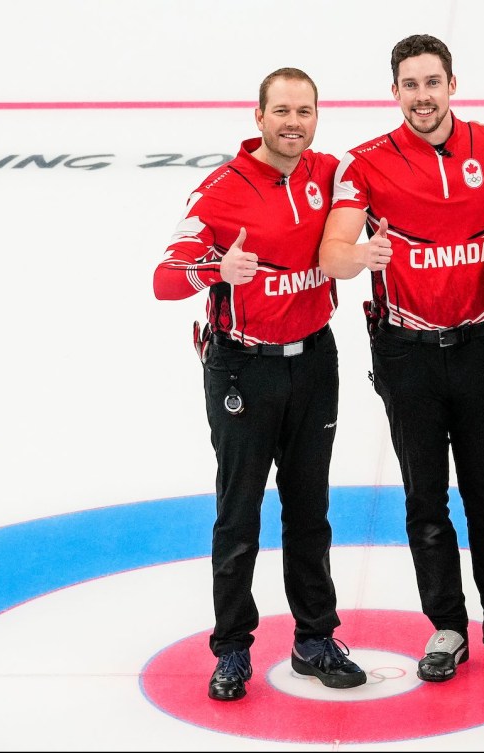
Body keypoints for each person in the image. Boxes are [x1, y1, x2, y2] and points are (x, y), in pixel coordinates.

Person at [319, 33, 484, 682]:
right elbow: (331, 252)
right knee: (425, 498)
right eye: (409, 84)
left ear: (451, 85)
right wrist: (359, 259)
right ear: (394, 91)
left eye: (432, 82)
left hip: (480, 346)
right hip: (407, 354)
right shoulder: (365, 163)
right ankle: (447, 626)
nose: (421, 96)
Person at [153, 67, 366, 701]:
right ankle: (233, 649)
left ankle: (315, 637)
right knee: (238, 514)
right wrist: (216, 268)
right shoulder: (221, 189)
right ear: (259, 117)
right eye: (282, 112)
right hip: (242, 368)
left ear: (317, 118)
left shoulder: (330, 172)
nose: (293, 123)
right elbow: (164, 278)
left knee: (309, 509)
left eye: (305, 111)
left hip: (315, 362)